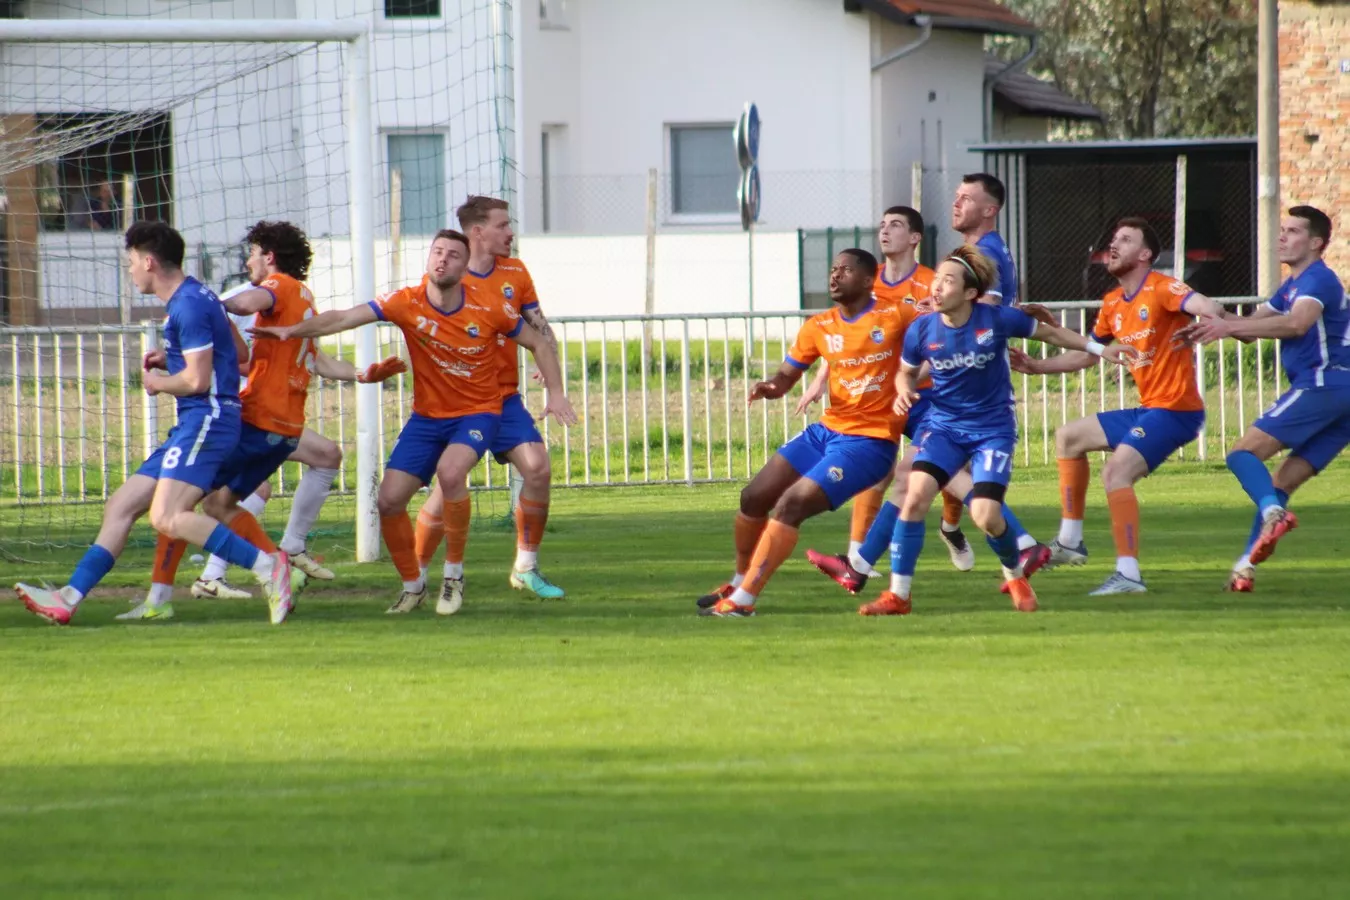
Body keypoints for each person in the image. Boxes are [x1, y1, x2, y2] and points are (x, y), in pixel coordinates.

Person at [250, 229, 577, 616]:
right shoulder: (406, 301)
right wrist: (290, 330)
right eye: (437, 252)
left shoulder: (490, 306)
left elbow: (538, 341)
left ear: (464, 266)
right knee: (388, 501)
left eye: (453, 255)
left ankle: (453, 576)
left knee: (451, 473)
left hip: (478, 412)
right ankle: (413, 586)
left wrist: (557, 392)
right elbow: (344, 318)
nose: (442, 259)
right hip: (427, 418)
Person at [118, 222, 407, 621]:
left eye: (252, 254)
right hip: (284, 429)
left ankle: (171, 594)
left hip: (256, 418)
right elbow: (316, 360)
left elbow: (245, 303)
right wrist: (362, 373)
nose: (248, 263)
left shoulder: (277, 286)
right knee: (219, 503)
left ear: (269, 257)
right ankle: (278, 560)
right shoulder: (304, 300)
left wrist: (202, 300)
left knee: (178, 500)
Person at [14, 221, 294, 625]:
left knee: (167, 516)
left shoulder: (188, 305)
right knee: (122, 505)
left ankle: (269, 567)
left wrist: (157, 382)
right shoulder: (198, 296)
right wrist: (173, 356)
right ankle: (68, 599)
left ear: (149, 262)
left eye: (130, 262)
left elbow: (196, 381)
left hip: (208, 420)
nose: (129, 271)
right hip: (197, 421)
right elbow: (237, 353)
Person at [860, 244, 1133, 616]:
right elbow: (905, 373)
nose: (936, 287)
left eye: (948, 281)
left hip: (992, 430)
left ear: (970, 293)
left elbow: (1052, 335)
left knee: (987, 516)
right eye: (937, 278)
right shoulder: (921, 329)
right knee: (915, 496)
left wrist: (1100, 350)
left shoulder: (996, 319)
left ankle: (1015, 576)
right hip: (944, 428)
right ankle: (898, 596)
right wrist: (904, 391)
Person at [1008, 217, 1232, 595]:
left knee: (1115, 473)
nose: (1113, 245)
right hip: (1150, 409)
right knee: (1068, 437)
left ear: (1145, 255)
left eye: (1125, 240)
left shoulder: (1162, 287)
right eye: (1113, 239)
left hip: (1176, 410)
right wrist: (1036, 366)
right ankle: (1070, 542)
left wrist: (1212, 315)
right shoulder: (1112, 302)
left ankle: (1128, 575)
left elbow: (1205, 304)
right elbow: (1088, 355)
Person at [696, 249, 917, 617]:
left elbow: (943, 327)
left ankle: (744, 601)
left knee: (791, 505)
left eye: (846, 270)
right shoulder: (819, 325)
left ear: (868, 280)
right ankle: (738, 580)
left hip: (869, 441)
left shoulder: (896, 315)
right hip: (826, 432)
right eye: (833, 269)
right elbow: (788, 374)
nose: (835, 275)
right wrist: (771, 386)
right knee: (753, 496)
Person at [1184, 206, 1350, 591]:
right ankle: (1245, 569)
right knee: (1281, 482)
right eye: (1282, 230)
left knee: (1242, 454)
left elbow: (1297, 323)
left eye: (1293, 231)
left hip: (1324, 384)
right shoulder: (1291, 285)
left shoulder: (1318, 280)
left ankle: (1274, 515)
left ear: (1316, 242)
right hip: (1339, 395)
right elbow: (1249, 328)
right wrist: (1210, 315)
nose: (1282, 237)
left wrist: (1226, 326)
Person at [410, 196, 565, 602]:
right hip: (461, 402)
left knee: (538, 468)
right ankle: (416, 577)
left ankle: (526, 568)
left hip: (504, 398)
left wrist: (550, 367)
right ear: (477, 232)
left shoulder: (515, 271)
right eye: (503, 225)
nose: (510, 233)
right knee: (447, 487)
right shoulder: (447, 278)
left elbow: (538, 327)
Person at [939, 173, 1049, 573]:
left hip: (968, 376)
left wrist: (933, 319)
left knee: (930, 462)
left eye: (966, 198)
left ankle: (1019, 543)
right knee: (946, 465)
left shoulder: (983, 253)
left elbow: (981, 316)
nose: (956, 204)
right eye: (956, 196)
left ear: (990, 210)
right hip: (967, 372)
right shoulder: (982, 249)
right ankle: (953, 528)